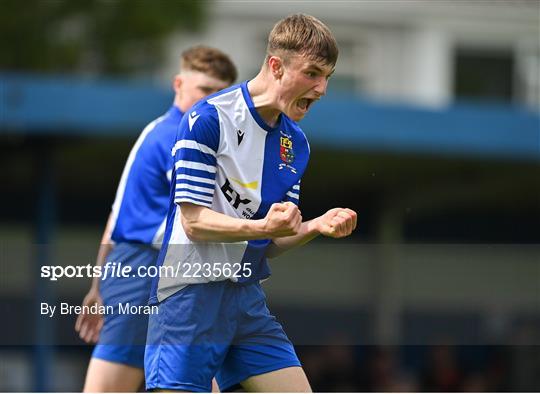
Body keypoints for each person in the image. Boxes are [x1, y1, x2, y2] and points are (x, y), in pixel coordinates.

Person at [145, 14, 357, 392]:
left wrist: (315, 226)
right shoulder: (208, 119)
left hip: (245, 298)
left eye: (328, 76)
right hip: (187, 298)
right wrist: (263, 228)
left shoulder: (296, 145)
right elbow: (193, 223)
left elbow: (272, 244)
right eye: (312, 73)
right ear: (276, 66)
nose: (322, 88)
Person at [74, 46, 238, 392]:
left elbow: (115, 212)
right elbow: (127, 218)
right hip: (142, 268)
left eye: (220, 94)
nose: (211, 100)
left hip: (168, 269)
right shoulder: (176, 135)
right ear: (178, 83)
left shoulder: (167, 131)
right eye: (205, 90)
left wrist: (97, 284)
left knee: (192, 381)